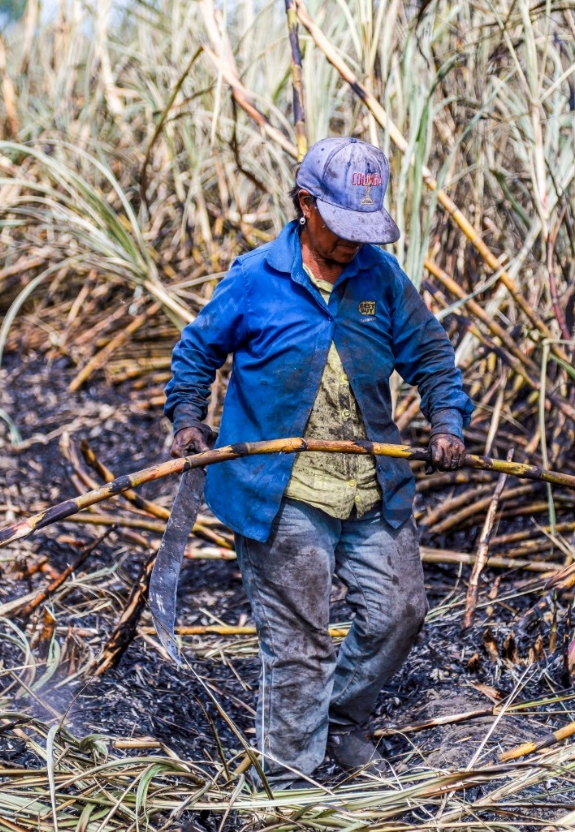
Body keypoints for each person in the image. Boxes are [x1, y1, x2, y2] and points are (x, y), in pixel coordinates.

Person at [164, 136, 473, 788]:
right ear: (305, 204)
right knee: (299, 646)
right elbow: (195, 352)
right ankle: (288, 782)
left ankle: (339, 721)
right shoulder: (255, 277)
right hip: (281, 493)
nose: (354, 243)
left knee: (400, 610)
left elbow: (434, 359)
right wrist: (188, 422)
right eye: (341, 228)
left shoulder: (379, 280)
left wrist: (447, 420)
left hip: (371, 488)